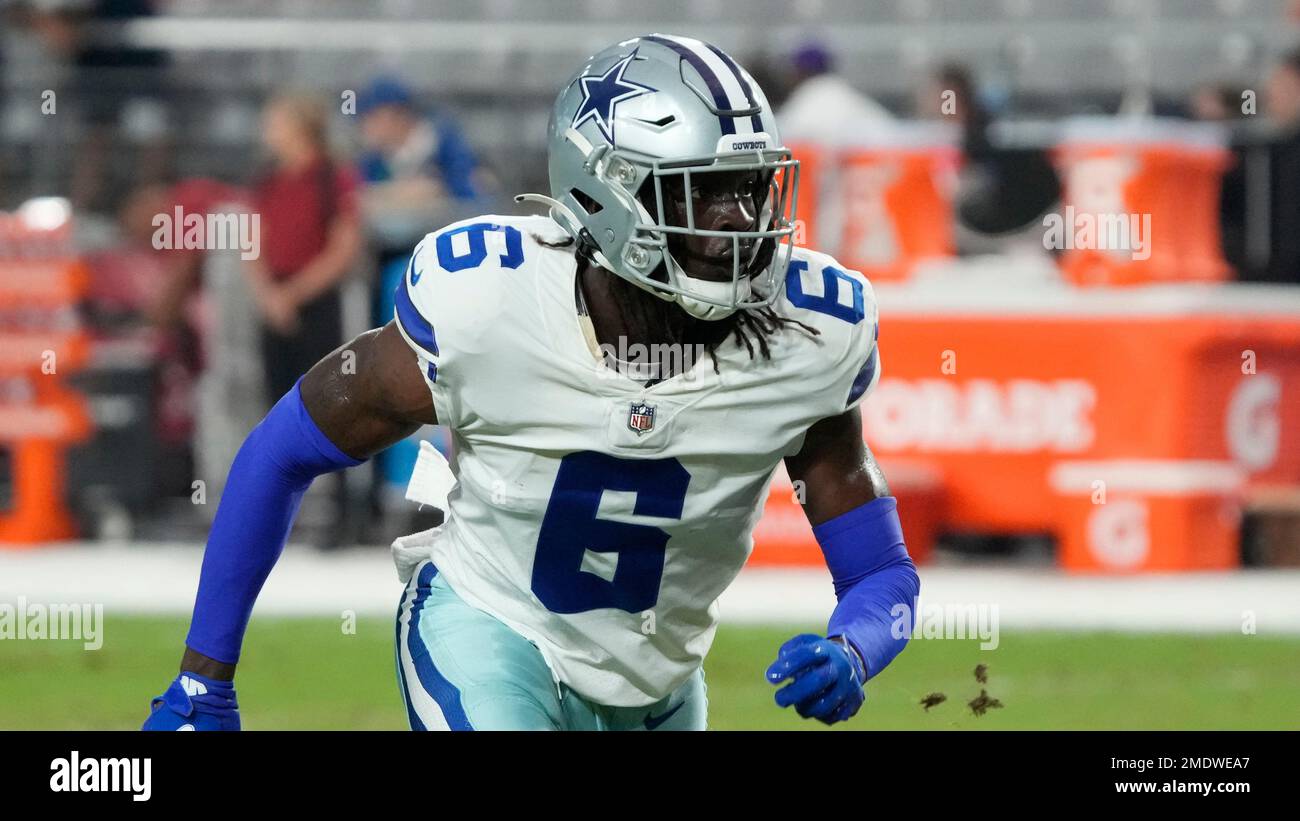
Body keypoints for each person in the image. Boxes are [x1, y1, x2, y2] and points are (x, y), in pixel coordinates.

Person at [142, 34, 919, 731]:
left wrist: (853, 649)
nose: (740, 220)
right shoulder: (490, 306)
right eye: (702, 191)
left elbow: (880, 571)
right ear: (607, 192)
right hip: (489, 626)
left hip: (659, 688)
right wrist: (201, 679)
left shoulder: (806, 335)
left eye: (751, 187)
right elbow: (281, 450)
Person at [246, 93, 364, 546]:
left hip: (315, 301)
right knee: (275, 409)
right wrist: (268, 295)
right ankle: (274, 518)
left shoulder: (332, 178)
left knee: (331, 406)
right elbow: (254, 241)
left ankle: (340, 514)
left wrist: (292, 294)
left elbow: (343, 247)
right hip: (277, 300)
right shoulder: (268, 179)